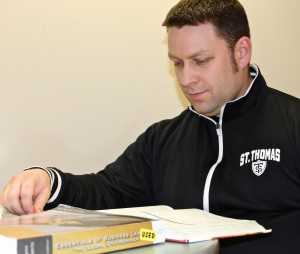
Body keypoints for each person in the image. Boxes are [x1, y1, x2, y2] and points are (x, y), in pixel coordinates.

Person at [1, 0, 300, 253]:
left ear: (242, 52)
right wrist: (49, 181)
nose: (186, 79)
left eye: (200, 60)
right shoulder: (163, 140)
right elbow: (107, 190)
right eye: (178, 63)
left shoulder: (293, 124)